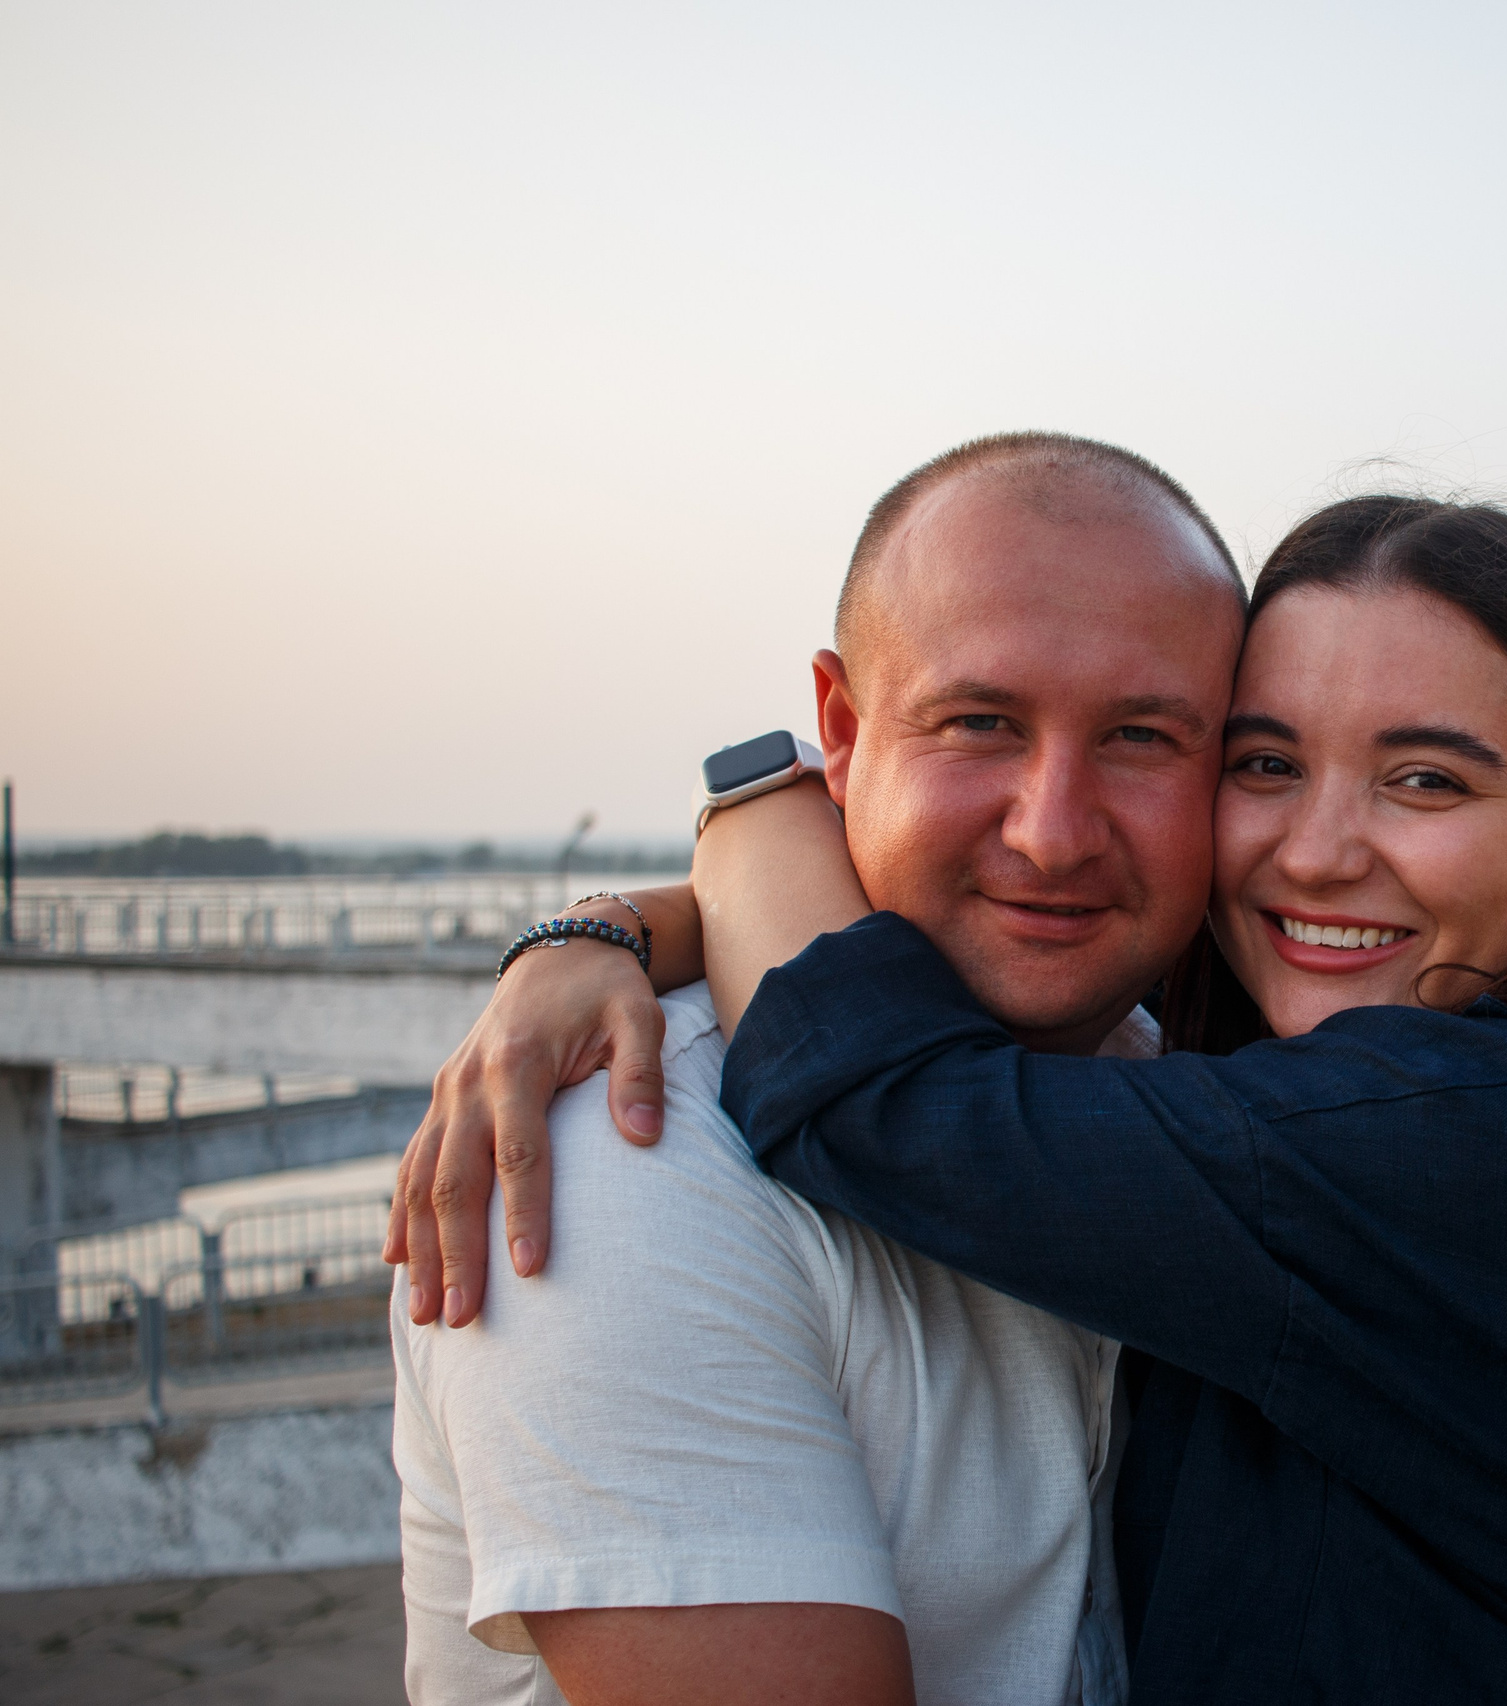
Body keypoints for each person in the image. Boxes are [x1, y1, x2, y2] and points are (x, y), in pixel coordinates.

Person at [416, 493, 1507, 1702]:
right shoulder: (1258, 1105)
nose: (1319, 853)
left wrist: (760, 808)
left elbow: (885, 1099)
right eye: (1267, 764)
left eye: (1425, 777)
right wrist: (613, 929)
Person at [385, 431, 1247, 1705]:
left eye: (1141, 736)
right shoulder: (621, 1162)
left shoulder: (1182, 1083)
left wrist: (635, 910)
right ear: (839, 730)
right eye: (980, 722)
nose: (1054, 831)